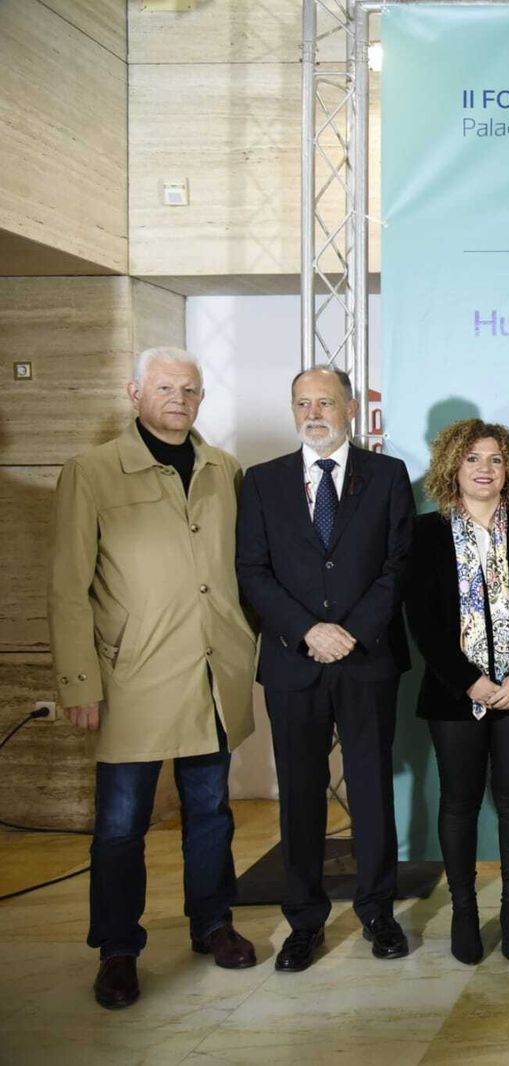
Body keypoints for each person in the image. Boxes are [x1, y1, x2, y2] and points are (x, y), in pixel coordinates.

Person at [48, 346, 261, 1009]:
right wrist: (79, 681)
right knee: (120, 825)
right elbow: (67, 586)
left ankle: (213, 923)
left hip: (212, 672)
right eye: (165, 387)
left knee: (211, 812)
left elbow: (247, 567)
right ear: (134, 392)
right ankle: (118, 949)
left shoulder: (225, 469)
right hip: (132, 675)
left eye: (190, 389)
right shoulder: (91, 471)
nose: (179, 399)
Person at [235, 364, 416, 972]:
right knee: (300, 796)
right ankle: (304, 922)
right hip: (295, 661)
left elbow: (398, 565)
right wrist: (309, 630)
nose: (314, 414)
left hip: (366, 659)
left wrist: (351, 632)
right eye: (303, 403)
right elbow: (252, 569)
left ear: (350, 408)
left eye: (326, 402)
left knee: (371, 791)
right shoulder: (262, 482)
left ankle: (378, 912)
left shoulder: (388, 476)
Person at [403, 420, 509, 964]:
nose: (485, 468)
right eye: (472, 458)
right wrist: (470, 680)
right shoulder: (425, 533)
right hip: (453, 693)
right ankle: (464, 911)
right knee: (459, 802)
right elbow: (423, 621)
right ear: (453, 466)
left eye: (495, 459)